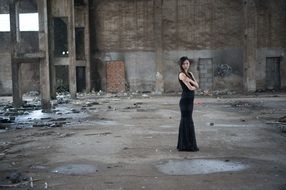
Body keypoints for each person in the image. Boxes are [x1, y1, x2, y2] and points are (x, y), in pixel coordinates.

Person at [177, 56, 199, 152]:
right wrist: (191, 82)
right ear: (181, 65)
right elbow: (191, 88)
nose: (186, 65)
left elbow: (197, 85)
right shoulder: (181, 75)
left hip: (190, 101)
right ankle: (185, 145)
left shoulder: (190, 74)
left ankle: (189, 144)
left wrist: (190, 80)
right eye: (184, 63)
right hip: (185, 101)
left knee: (189, 121)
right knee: (186, 121)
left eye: (187, 63)